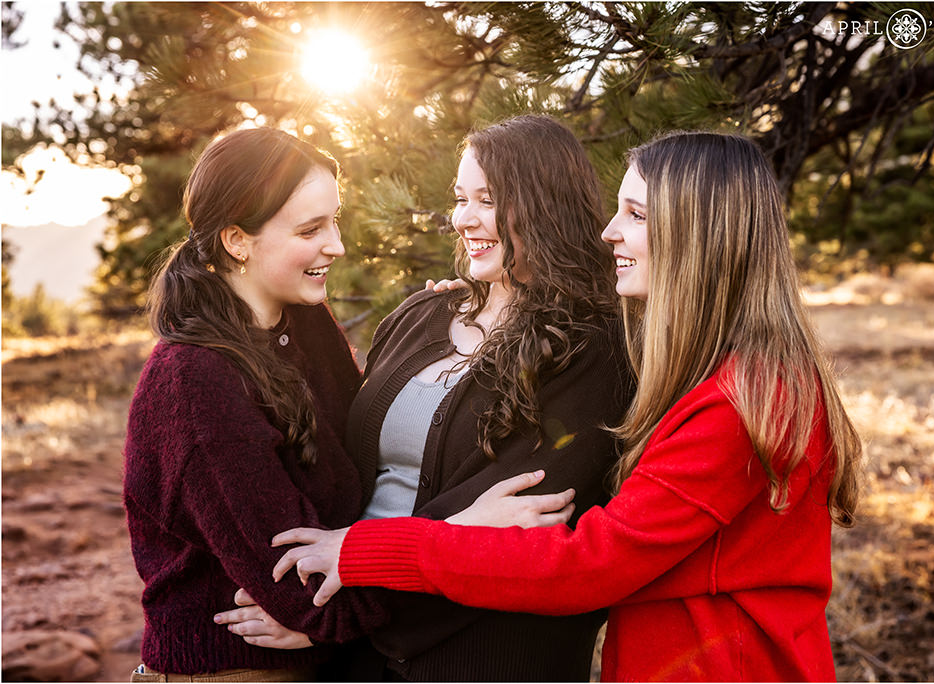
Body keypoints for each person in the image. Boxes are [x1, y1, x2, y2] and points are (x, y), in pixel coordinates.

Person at [269, 131, 865, 682]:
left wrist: (366, 555)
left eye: (635, 214)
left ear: (698, 235)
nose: (609, 230)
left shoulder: (743, 402)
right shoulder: (714, 371)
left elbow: (587, 563)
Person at [215, 115, 635, 681]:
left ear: (543, 204)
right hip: (358, 645)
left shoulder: (594, 348)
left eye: (487, 199)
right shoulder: (422, 314)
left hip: (484, 651)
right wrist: (328, 609)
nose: (464, 218)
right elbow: (346, 467)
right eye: (460, 198)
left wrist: (345, 600)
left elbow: (519, 523)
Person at [123, 127, 390, 680]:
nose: (336, 245)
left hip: (323, 658)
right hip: (236, 670)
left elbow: (365, 455)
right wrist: (457, 553)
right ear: (237, 240)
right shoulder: (194, 383)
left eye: (335, 220)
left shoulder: (303, 322)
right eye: (311, 229)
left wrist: (432, 335)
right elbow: (303, 592)